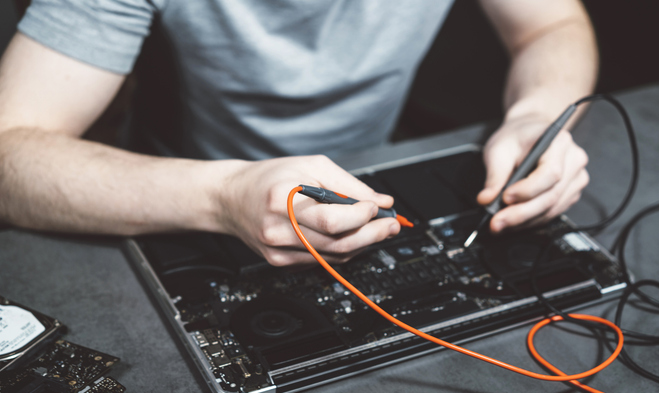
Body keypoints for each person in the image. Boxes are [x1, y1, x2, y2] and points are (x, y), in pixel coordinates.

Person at [0, 0, 596, 267]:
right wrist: (223, 195)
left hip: (375, 180)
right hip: (183, 206)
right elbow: (8, 152)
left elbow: (551, 25)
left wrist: (537, 116)